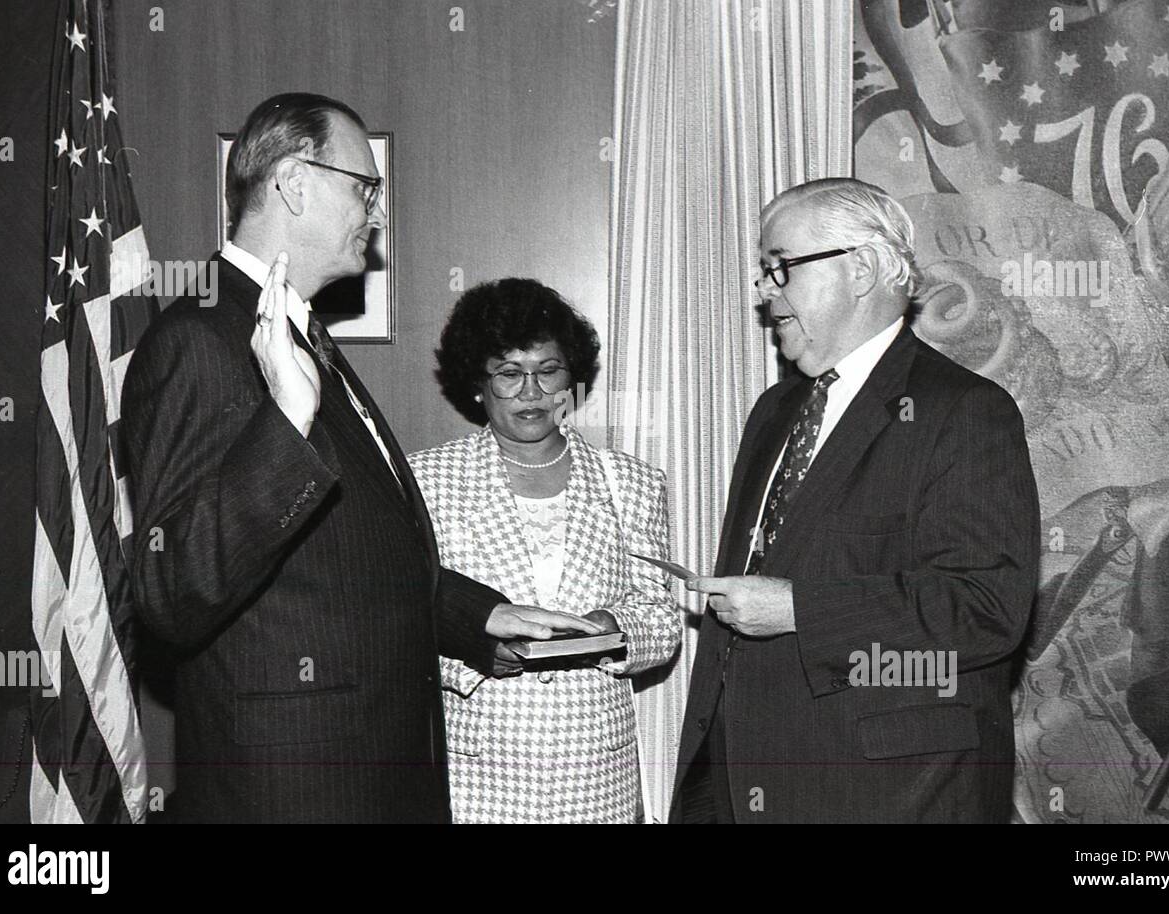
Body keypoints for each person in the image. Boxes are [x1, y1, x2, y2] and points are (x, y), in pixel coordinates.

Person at [121, 94, 596, 823]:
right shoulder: (198, 339)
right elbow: (172, 590)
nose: (377, 214)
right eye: (363, 188)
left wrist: (485, 616)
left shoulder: (302, 333)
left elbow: (349, 560)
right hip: (294, 792)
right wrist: (287, 419)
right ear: (293, 183)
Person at [671, 178, 1040, 823]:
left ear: (862, 266)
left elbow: (986, 607)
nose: (763, 291)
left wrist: (799, 609)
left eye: (779, 267)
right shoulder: (775, 410)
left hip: (891, 793)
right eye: (762, 272)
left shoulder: (966, 411)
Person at [408, 278, 682, 823]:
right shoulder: (424, 479)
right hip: (477, 777)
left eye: (548, 370)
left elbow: (662, 619)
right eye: (509, 374)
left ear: (571, 379)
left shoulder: (631, 482)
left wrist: (611, 629)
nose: (531, 392)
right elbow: (402, 618)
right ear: (478, 386)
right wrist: (474, 653)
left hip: (597, 777)